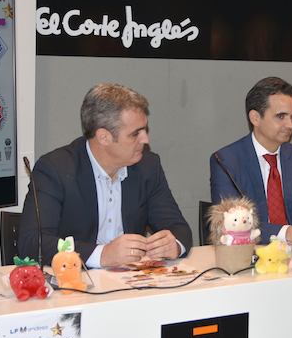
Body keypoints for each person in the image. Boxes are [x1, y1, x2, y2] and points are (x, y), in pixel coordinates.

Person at [20, 83, 193, 267]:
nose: (146, 139)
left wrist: (174, 245)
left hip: (132, 278)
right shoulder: (55, 169)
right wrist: (102, 255)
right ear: (103, 137)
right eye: (135, 133)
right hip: (76, 278)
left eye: (145, 129)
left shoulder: (148, 167)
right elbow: (33, 243)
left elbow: (179, 229)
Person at [210, 77, 292, 247]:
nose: (290, 125)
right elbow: (232, 225)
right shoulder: (226, 161)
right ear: (255, 118)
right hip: (251, 255)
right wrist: (290, 233)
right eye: (281, 116)